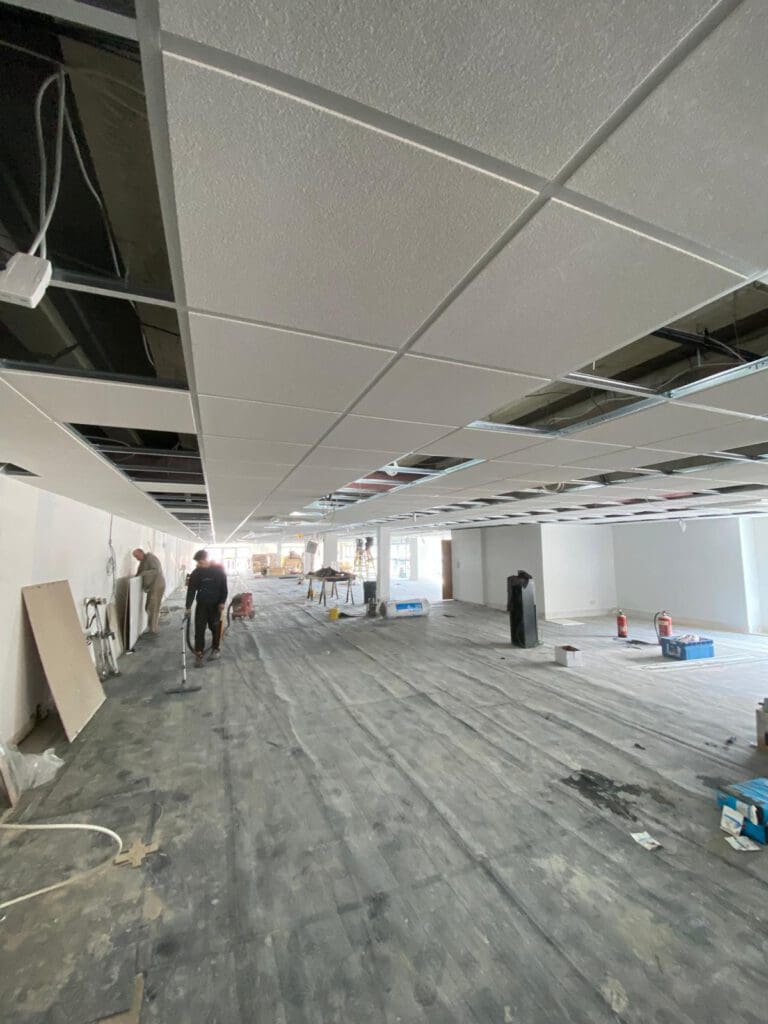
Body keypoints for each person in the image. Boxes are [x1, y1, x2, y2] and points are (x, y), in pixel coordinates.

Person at [184, 549, 228, 667]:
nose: (198, 564)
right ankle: (199, 654)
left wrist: (222, 602)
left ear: (206, 560)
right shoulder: (197, 573)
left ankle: (215, 649)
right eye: (197, 563)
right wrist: (188, 606)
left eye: (200, 562)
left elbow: (224, 589)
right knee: (199, 629)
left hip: (215, 606)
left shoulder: (219, 571)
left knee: (215, 628)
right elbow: (191, 590)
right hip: (202, 605)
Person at [132, 548, 166, 636]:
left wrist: (143, 574)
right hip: (153, 586)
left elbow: (156, 571)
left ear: (141, 553)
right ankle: (152, 627)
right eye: (135, 557)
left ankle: (153, 629)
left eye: (137, 556)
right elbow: (139, 573)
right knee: (149, 606)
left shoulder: (151, 558)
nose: (136, 558)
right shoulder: (143, 561)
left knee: (153, 606)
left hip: (157, 585)